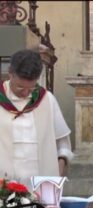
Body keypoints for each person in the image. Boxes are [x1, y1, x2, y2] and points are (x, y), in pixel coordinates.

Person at [0, 49, 73, 185]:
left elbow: (63, 143)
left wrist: (60, 164)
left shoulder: (46, 100)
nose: (26, 92)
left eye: (31, 88)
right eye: (20, 87)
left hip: (40, 185)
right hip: (3, 185)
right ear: (10, 73)